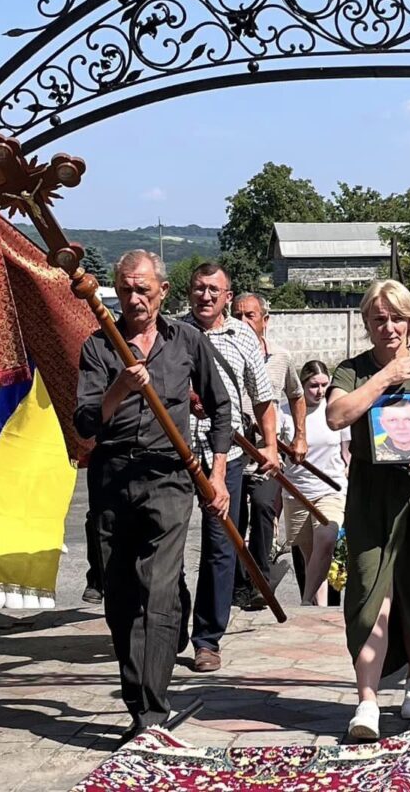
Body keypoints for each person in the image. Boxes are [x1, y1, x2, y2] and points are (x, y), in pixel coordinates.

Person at [74, 250, 233, 730]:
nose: (135, 299)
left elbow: (222, 410)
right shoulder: (98, 346)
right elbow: (84, 423)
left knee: (157, 590)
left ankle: (151, 713)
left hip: (169, 477)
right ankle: (137, 699)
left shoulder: (186, 341)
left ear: (163, 291)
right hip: (112, 478)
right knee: (119, 596)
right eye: (126, 290)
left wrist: (219, 474)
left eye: (143, 289)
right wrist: (120, 387)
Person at [327, 279, 410, 741]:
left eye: (397, 317)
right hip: (372, 492)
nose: (388, 326)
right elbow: (337, 415)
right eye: (378, 318)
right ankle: (366, 702)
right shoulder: (352, 370)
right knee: (368, 591)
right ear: (366, 323)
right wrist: (385, 378)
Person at [177, 263, 279, 674]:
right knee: (169, 548)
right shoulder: (171, 334)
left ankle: (207, 639)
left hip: (228, 457)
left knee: (221, 547)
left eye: (213, 290)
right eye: (199, 288)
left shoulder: (243, 338)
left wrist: (270, 445)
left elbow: (263, 397)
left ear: (227, 296)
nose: (205, 296)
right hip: (178, 455)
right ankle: (172, 622)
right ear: (188, 292)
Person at [232, 292, 306, 611]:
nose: (243, 322)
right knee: (233, 518)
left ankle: (260, 580)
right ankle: (237, 583)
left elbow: (297, 395)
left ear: (265, 319)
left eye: (250, 315)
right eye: (237, 315)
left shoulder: (281, 357)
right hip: (232, 452)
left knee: (263, 506)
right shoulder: (223, 354)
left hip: (268, 452)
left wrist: (300, 436)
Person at [286, 360, 349, 606]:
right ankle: (318, 609)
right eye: (313, 385)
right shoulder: (285, 412)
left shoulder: (334, 411)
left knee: (327, 538)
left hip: (330, 489)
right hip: (297, 493)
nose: (320, 391)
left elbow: (348, 454)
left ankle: (304, 603)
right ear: (302, 386)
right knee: (313, 558)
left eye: (324, 385)